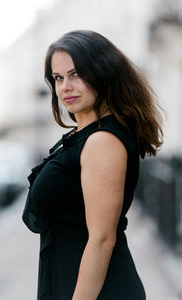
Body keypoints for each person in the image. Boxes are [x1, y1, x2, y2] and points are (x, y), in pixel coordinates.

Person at [22, 30, 163, 300]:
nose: (65, 87)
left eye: (76, 74)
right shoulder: (83, 136)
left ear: (103, 74)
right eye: (58, 78)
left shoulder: (102, 141)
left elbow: (101, 239)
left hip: (98, 291)